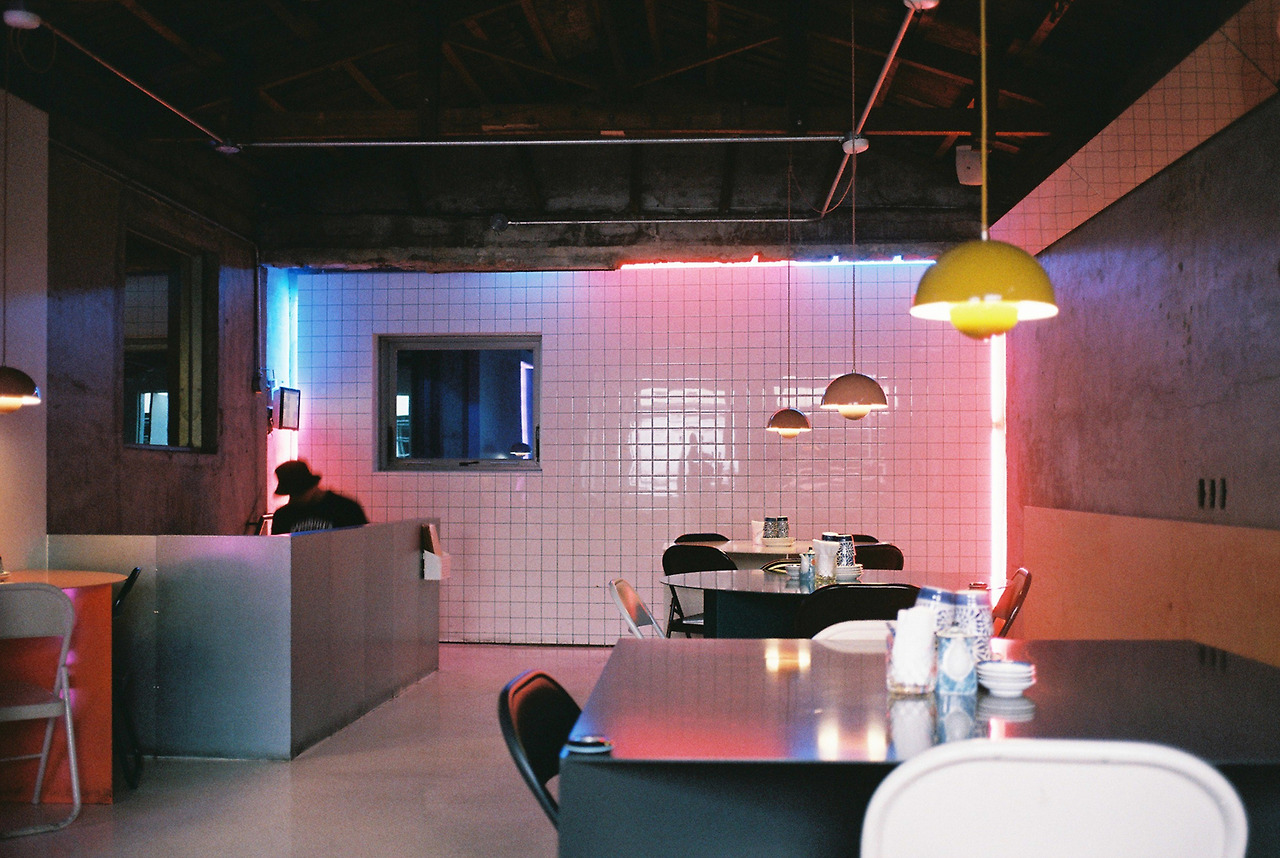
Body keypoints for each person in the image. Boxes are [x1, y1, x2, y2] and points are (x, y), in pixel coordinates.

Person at [271, 459, 369, 534]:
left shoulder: (345, 509)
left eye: (297, 493)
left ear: (312, 487)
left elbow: (363, 543)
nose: (293, 499)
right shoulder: (283, 516)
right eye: (290, 494)